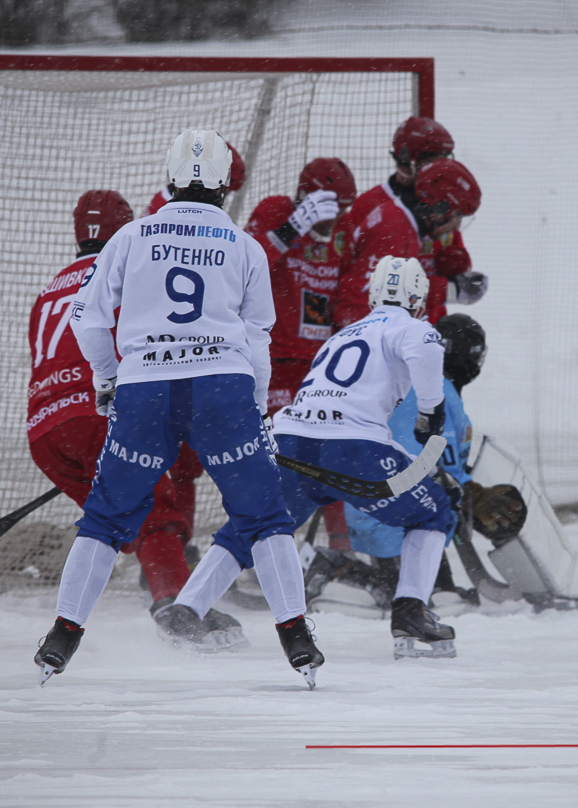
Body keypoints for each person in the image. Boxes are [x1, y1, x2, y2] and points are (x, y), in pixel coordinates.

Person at [33, 129, 323, 688]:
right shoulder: (244, 245)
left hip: (147, 390)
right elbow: (259, 335)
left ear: (169, 177)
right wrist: (256, 405)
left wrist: (109, 378)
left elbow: (87, 319)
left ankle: (62, 638)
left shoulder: (132, 236)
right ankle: (297, 637)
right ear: (223, 183)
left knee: (105, 520)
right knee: (265, 517)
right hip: (223, 387)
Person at [169, 256, 461, 658]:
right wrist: (432, 412)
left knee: (252, 525)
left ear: (373, 295)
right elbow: (426, 347)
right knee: (435, 512)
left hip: (290, 443)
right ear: (417, 299)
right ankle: (410, 612)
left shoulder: (341, 335)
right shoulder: (412, 328)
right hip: (350, 447)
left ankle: (186, 609)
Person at [27, 191, 247, 645]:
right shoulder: (124, 272)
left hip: (45, 431)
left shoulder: (50, 287)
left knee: (122, 515)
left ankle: (166, 565)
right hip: (98, 412)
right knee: (153, 505)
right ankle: (176, 605)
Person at [315, 313, 521, 608]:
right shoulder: (432, 393)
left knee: (434, 588)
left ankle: (378, 578)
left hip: (384, 511)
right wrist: (468, 493)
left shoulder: (416, 384)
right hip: (393, 517)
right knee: (418, 595)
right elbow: (421, 465)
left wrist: (465, 491)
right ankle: (336, 568)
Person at [244, 158, 358, 553]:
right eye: (332, 207)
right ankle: (258, 548)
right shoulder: (277, 211)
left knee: (330, 453)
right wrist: (292, 228)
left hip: (319, 367)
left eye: (344, 208)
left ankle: (341, 549)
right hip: (273, 364)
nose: (337, 217)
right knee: (280, 460)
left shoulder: (342, 231)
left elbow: (350, 286)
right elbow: (244, 264)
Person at [144, 143, 247, 536]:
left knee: (178, 463)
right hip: (176, 360)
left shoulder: (164, 211)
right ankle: (163, 546)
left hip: (169, 358)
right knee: (176, 462)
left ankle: (172, 545)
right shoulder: (175, 219)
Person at [333, 158, 482, 329]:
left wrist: (451, 289)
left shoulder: (400, 222)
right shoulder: (396, 231)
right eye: (458, 216)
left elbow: (394, 292)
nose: (456, 227)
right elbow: (356, 305)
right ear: (440, 208)